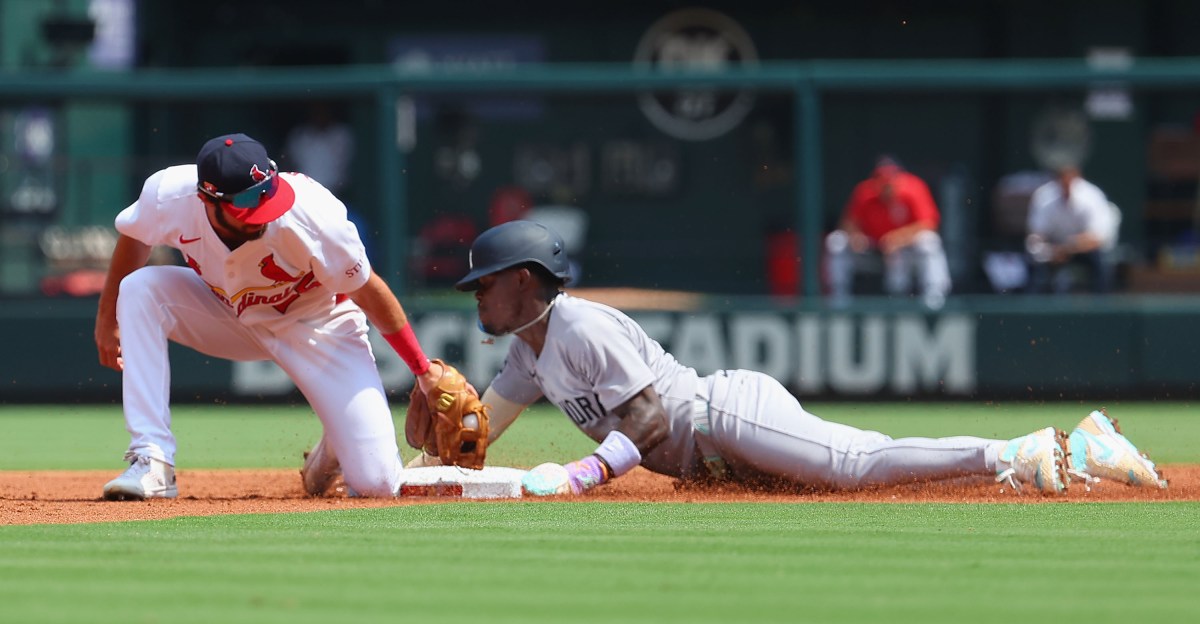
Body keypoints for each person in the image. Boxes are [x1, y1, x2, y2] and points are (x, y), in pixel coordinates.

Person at [416, 220, 1166, 496]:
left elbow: (644, 427)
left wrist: (580, 474)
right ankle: (1076, 447)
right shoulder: (528, 349)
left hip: (723, 416)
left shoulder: (581, 329)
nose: (475, 297)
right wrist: (424, 469)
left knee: (859, 464)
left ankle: (1030, 448)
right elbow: (485, 427)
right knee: (854, 470)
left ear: (523, 282)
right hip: (713, 452)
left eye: (483, 285)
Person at [94, 132, 455, 500]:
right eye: (246, 203)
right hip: (226, 313)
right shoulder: (168, 194)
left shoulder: (315, 217)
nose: (262, 210)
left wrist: (423, 371)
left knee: (377, 484)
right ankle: (151, 460)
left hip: (317, 324)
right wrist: (107, 320)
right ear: (207, 199)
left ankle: (336, 442)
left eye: (265, 192)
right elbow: (135, 235)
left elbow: (368, 290)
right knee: (140, 288)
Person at [825, 156, 951, 309]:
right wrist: (855, 236)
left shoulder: (914, 187)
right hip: (872, 249)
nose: (886, 184)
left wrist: (899, 238)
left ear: (899, 178)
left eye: (891, 179)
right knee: (836, 241)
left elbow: (930, 224)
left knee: (929, 241)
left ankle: (934, 297)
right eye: (882, 180)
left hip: (906, 250)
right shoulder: (865, 191)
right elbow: (847, 223)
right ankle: (839, 298)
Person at [1025, 165, 1120, 294]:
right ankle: (1034, 309)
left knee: (1101, 263)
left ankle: (1100, 308)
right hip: (1054, 249)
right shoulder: (1044, 196)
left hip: (1082, 249)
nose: (1066, 182)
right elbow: (1035, 236)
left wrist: (1068, 248)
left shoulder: (1092, 195)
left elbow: (1097, 239)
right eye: (1062, 177)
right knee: (1035, 265)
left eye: (1070, 178)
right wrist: (1047, 251)